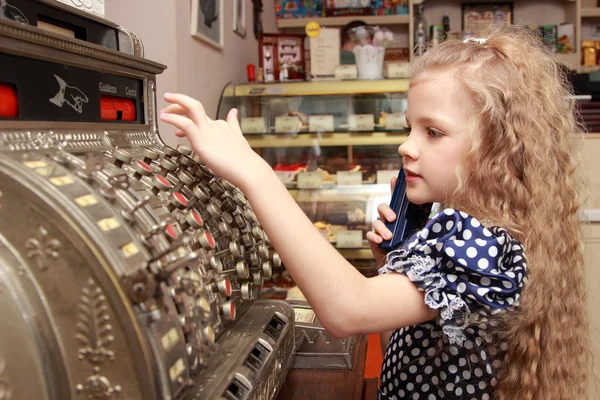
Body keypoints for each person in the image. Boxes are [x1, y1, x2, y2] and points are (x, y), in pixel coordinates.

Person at [159, 23, 588, 400]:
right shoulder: (455, 232)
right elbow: (403, 346)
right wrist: (393, 265)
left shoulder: (482, 244)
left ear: (498, 150)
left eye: (433, 132)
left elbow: (348, 311)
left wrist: (254, 172)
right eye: (409, 128)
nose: (406, 146)